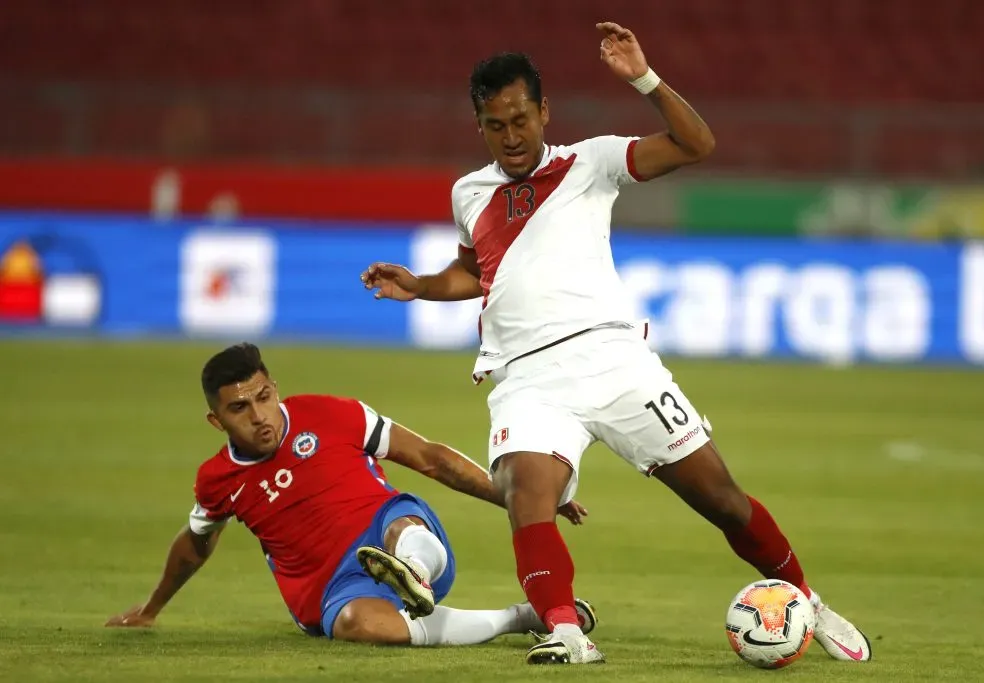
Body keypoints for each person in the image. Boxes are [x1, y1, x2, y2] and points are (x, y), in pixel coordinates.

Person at [360, 22, 872, 665]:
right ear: (479, 126)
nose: (512, 136)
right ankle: (566, 633)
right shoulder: (470, 192)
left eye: (521, 118)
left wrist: (644, 80)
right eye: (495, 124)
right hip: (527, 378)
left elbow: (697, 143)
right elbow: (476, 271)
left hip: (614, 362)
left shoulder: (592, 161)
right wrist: (424, 285)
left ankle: (806, 600)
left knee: (723, 501)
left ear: (544, 110)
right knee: (526, 494)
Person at [105, 342, 597, 646]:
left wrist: (522, 498)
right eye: (240, 408)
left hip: (382, 524)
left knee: (404, 527)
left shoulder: (332, 413)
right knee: (361, 627)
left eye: (263, 397)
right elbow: (195, 544)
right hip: (332, 589)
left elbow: (429, 458)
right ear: (217, 420)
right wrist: (150, 608)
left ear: (274, 388)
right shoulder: (217, 479)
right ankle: (519, 618)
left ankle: (415, 574)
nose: (259, 416)